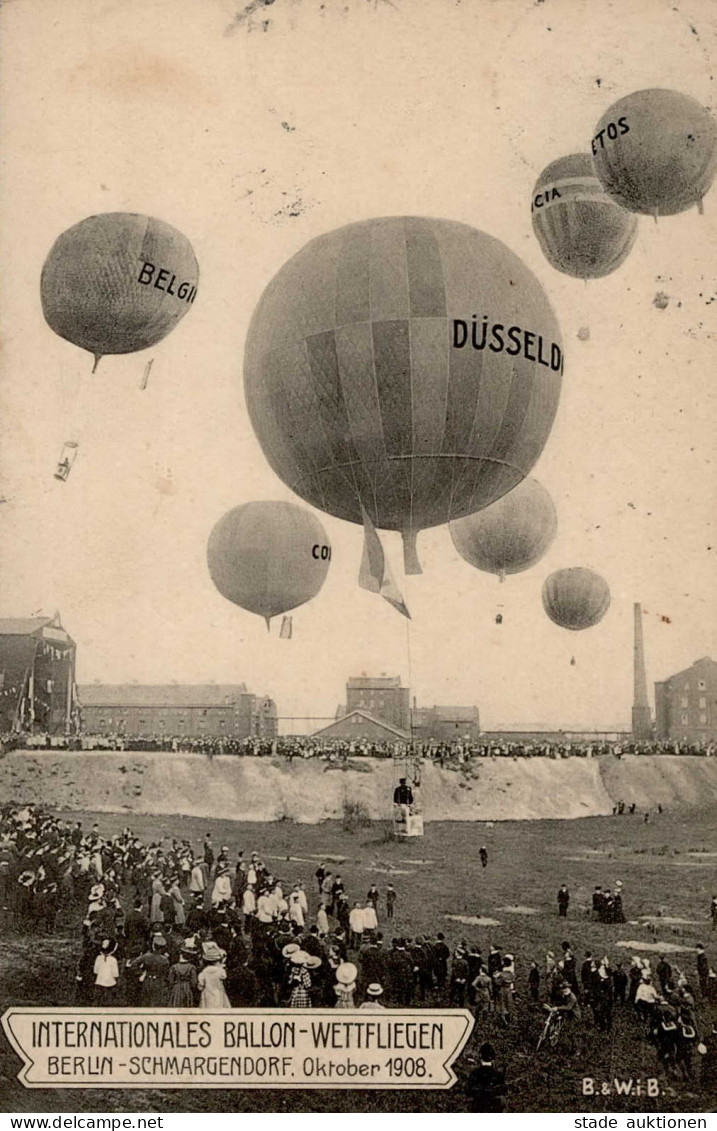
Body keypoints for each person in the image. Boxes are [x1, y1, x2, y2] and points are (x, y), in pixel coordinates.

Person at [465, 1043, 507, 1114]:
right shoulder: (498, 1075)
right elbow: (503, 1093)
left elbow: (468, 1092)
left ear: (480, 1057)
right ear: (493, 1058)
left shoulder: (474, 1074)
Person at [198, 942, 230, 1008]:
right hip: (219, 993)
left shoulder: (203, 973)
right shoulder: (221, 971)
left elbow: (200, 987)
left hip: (207, 994)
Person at [93, 938, 119, 1005]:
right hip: (110, 984)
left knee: (98, 1002)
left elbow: (95, 971)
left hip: (99, 982)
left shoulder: (98, 958)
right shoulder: (113, 960)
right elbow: (115, 974)